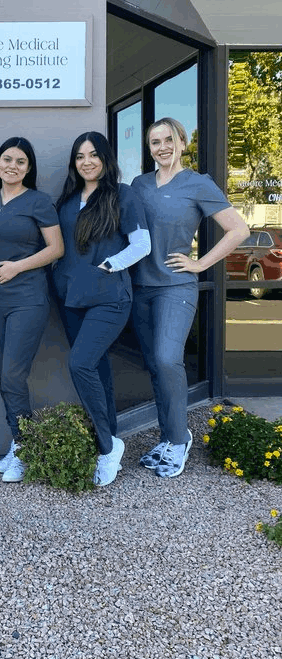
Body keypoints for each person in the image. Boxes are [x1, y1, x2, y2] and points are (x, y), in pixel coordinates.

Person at [131, 117, 249, 478]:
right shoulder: (139, 184)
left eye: (169, 140)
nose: (162, 147)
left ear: (182, 143)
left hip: (175, 287)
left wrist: (200, 264)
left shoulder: (198, 183)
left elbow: (239, 229)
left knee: (168, 359)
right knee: (155, 366)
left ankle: (180, 439)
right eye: (155, 142)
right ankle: (168, 437)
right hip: (140, 288)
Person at [53, 132, 151, 486]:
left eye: (94, 155)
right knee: (98, 369)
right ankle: (108, 437)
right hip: (70, 297)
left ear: (106, 159)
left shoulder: (122, 195)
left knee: (80, 364)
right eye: (80, 156)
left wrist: (109, 266)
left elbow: (142, 244)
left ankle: (109, 448)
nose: (87, 162)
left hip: (109, 297)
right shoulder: (67, 200)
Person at [0, 138, 63, 483]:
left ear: (29, 168)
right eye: (7, 159)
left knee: (13, 376)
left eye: (20, 161)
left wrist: (17, 267)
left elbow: (56, 248)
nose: (12, 166)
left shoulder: (39, 201)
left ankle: (25, 449)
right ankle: (19, 442)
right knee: (5, 378)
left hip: (27, 299)